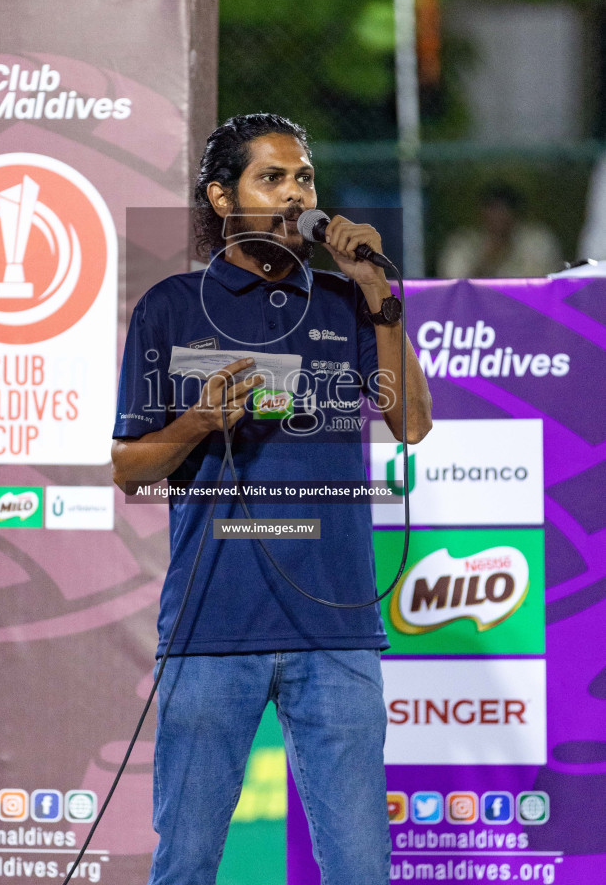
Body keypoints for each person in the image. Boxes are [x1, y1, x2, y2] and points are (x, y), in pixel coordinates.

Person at [111, 113, 432, 885]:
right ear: (222, 198)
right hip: (212, 625)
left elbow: (411, 423)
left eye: (304, 178)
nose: (295, 194)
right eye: (272, 178)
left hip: (337, 629)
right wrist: (198, 419)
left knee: (359, 866)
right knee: (186, 861)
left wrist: (379, 299)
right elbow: (128, 467)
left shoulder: (343, 300)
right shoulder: (171, 306)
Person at [437, 181, 562, 279]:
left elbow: (544, 285)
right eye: (492, 208)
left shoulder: (537, 241)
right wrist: (486, 259)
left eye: (504, 209)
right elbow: (453, 289)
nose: (498, 216)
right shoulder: (462, 244)